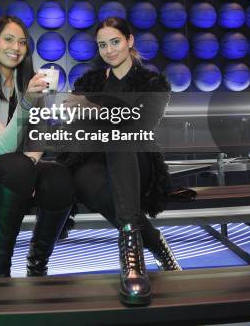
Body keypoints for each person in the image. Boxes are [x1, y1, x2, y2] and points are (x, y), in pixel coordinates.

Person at [58, 17, 180, 307]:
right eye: (102, 45)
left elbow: (141, 125)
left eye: (115, 42)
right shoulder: (89, 82)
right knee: (80, 176)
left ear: (130, 41)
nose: (109, 50)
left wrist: (93, 109)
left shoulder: (152, 82)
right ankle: (153, 243)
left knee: (121, 138)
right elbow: (74, 126)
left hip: (138, 161)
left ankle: (131, 260)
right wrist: (79, 112)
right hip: (94, 162)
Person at [0, 15, 74, 278]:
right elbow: (3, 145)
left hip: (17, 173)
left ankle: (38, 264)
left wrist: (30, 166)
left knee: (58, 176)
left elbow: (39, 135)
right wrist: (28, 102)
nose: (16, 47)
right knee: (17, 166)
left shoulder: (27, 85)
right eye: (8, 39)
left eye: (22, 42)